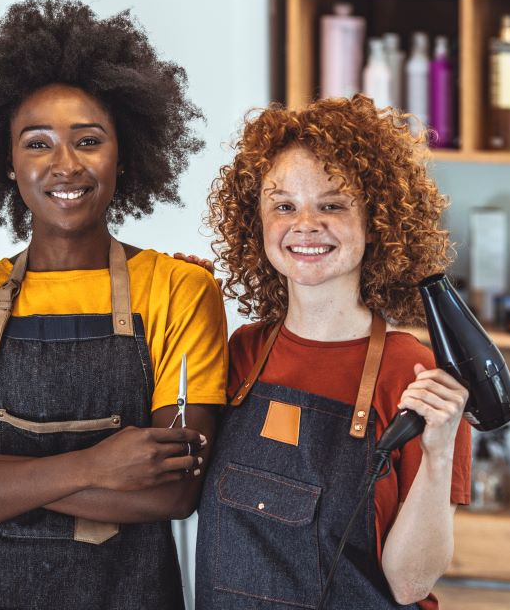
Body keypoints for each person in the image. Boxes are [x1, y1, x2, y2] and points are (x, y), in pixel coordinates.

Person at [0, 0, 226, 610]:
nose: (64, 165)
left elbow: (174, 493)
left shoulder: (182, 290)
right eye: (37, 142)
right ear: (8, 162)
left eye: (89, 140)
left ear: (125, 155)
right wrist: (96, 466)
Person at [195, 95, 472, 609]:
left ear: (378, 222)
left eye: (333, 204)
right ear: (256, 224)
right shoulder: (242, 353)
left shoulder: (414, 374)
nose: (305, 224)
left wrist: (437, 456)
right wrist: (177, 300)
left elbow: (411, 586)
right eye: (283, 205)